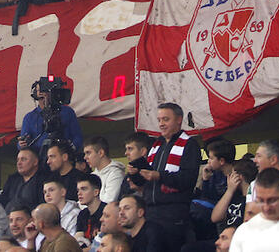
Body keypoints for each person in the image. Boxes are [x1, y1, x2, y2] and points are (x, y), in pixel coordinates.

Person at [132, 102, 200, 251]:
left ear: (179, 120)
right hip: (150, 213)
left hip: (174, 214)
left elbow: (187, 179)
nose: (161, 124)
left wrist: (159, 176)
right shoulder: (157, 146)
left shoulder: (189, 145)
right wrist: (134, 175)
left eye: (166, 119)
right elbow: (145, 181)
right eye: (159, 120)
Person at [19, 81, 83, 154]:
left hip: (63, 157)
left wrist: (70, 150)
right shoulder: (29, 117)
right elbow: (22, 143)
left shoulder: (67, 112)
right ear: (35, 93)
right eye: (42, 89)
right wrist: (21, 144)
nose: (45, 93)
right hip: (39, 159)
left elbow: (77, 137)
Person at [1, 149, 47, 213]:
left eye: (23, 159)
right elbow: (3, 200)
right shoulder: (12, 179)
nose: (19, 163)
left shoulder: (44, 180)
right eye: (18, 160)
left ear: (35, 162)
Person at [85, 137, 126, 205]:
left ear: (101, 153)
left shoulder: (116, 173)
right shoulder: (92, 175)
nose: (85, 157)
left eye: (88, 153)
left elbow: (109, 201)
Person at [76, 175, 106, 244]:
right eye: (78, 190)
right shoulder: (82, 214)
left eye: (84, 189)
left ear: (96, 192)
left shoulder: (106, 211)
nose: (79, 193)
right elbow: (78, 239)